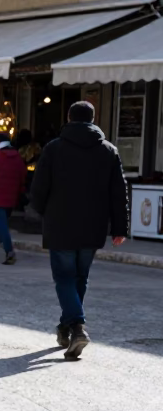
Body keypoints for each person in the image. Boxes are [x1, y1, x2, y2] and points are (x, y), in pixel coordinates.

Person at [29, 101, 127, 360]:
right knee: (80, 278)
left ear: (69, 117)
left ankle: (77, 326)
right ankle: (66, 327)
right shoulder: (109, 150)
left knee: (63, 277)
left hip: (60, 224)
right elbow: (119, 192)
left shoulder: (53, 148)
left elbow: (39, 186)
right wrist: (119, 227)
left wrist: (39, 211)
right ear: (93, 120)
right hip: (93, 225)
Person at [0, 131, 28, 265]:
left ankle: (9, 251)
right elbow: (23, 176)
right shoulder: (18, 157)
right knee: (1, 225)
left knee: (1, 225)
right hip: (12, 197)